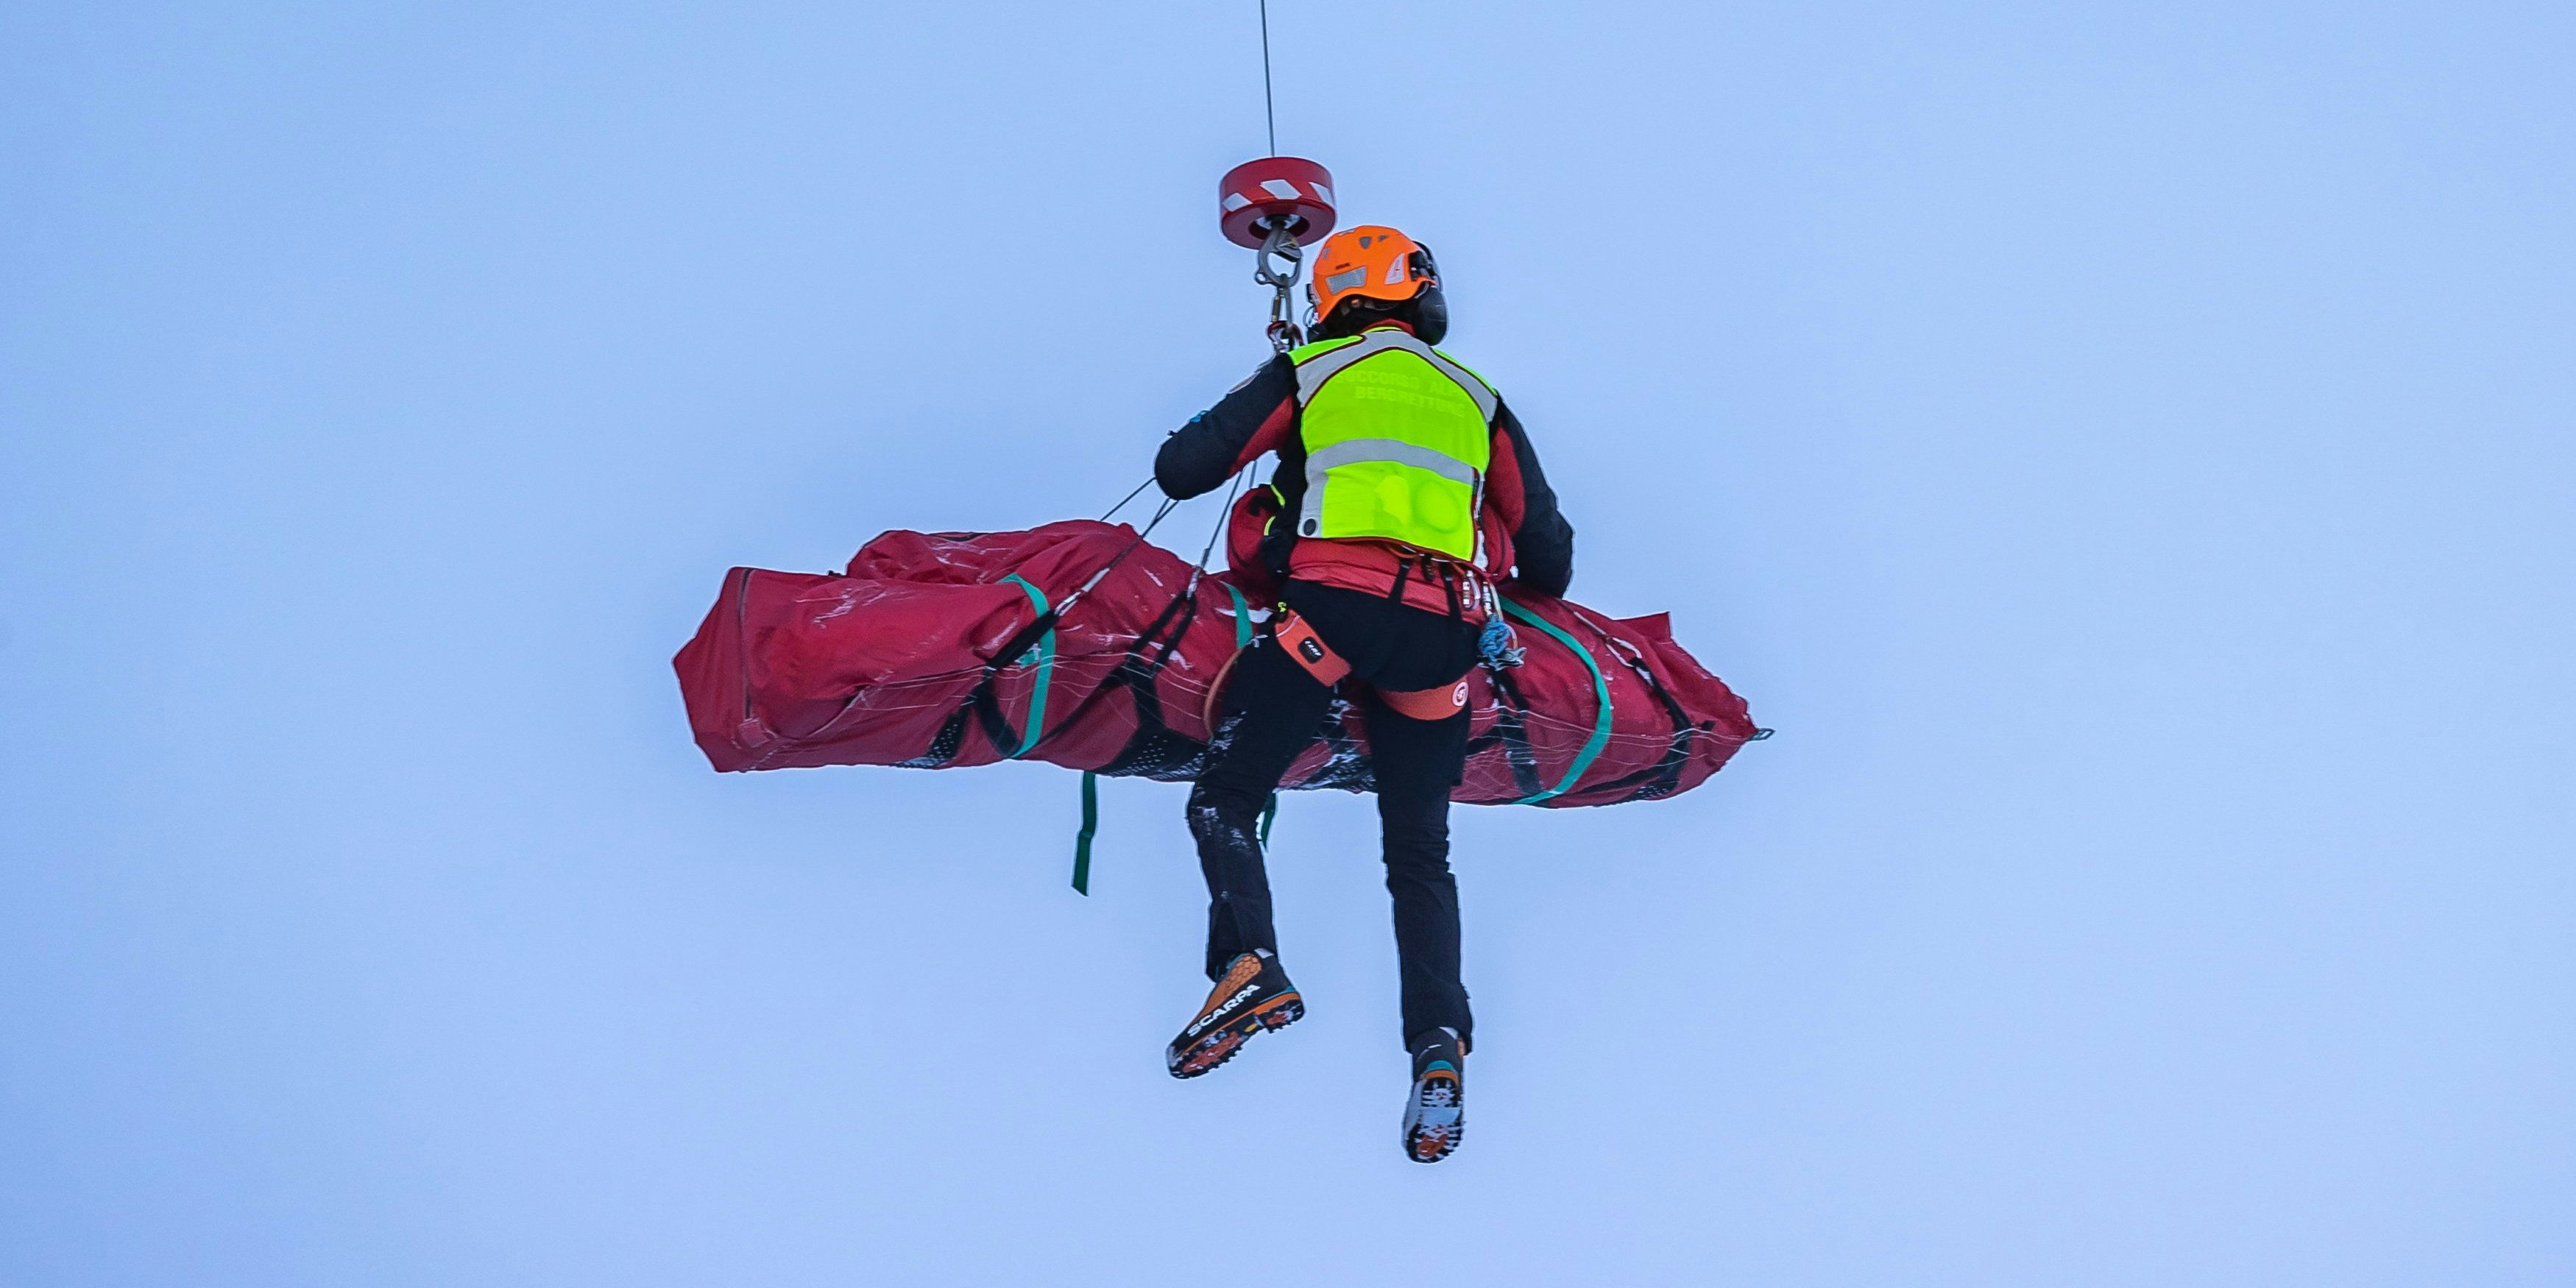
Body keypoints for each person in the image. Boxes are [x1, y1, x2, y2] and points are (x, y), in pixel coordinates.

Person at [1152, 224, 1575, 1163]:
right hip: (1444, 645)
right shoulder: (1478, 397)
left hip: (1328, 621)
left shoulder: (1311, 371)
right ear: (1412, 292)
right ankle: (1438, 1041)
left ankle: (1249, 964)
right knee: (1419, 856)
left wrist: (1270, 418)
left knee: (1226, 794)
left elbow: (1182, 471)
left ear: (1335, 297)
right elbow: (1549, 559)